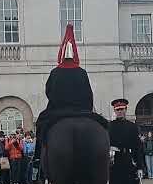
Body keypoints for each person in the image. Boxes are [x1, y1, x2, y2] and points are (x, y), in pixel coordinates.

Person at [33, 23, 102, 167]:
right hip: (82, 112)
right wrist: (87, 109)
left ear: (62, 54)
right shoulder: (82, 72)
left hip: (57, 112)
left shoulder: (55, 72)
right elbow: (89, 95)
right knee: (103, 126)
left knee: (41, 125)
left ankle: (37, 160)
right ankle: (103, 159)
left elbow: (49, 91)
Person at [108, 99, 144, 184]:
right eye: (118, 110)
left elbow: (137, 148)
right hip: (116, 162)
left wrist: (140, 167)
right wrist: (110, 149)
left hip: (129, 161)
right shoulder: (109, 126)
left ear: (126, 110)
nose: (120, 111)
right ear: (114, 111)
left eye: (122, 109)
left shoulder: (132, 127)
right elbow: (105, 144)